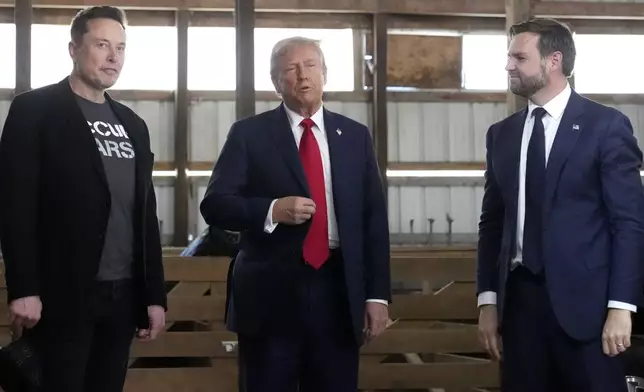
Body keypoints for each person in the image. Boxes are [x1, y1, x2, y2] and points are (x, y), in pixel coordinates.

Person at [200, 36, 391, 392]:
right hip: (270, 293)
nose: (303, 76)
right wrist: (272, 209)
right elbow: (215, 204)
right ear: (276, 82)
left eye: (311, 66)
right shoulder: (249, 134)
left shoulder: (354, 136)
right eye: (291, 68)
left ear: (325, 74)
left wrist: (377, 296)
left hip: (338, 288)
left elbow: (374, 221)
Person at [0, 6, 167, 392]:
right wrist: (23, 287)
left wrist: (153, 296)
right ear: (74, 48)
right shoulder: (34, 110)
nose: (113, 57)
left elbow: (145, 214)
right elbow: (14, 204)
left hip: (123, 295)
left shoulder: (132, 124)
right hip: (62, 292)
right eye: (102, 45)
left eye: (121, 48)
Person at [476, 17, 644, 392]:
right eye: (509, 57)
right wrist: (487, 302)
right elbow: (492, 224)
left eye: (519, 57)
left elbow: (629, 223)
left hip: (590, 311)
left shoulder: (606, 127)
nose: (508, 66)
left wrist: (621, 306)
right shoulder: (501, 136)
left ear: (553, 61)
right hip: (518, 308)